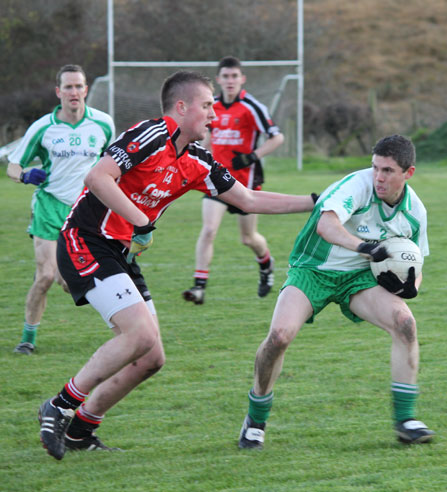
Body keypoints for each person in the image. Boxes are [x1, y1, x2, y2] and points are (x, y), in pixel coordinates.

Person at [37, 70, 316, 460]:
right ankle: (61, 406)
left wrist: (317, 201)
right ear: (181, 108)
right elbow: (98, 177)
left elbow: (249, 199)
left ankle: (82, 430)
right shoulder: (151, 134)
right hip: (85, 239)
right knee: (136, 336)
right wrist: (141, 221)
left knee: (152, 357)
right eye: (206, 106)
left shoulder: (199, 160)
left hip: (121, 252)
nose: (213, 116)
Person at [238, 134, 435, 449]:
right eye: (375, 168)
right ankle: (255, 420)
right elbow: (326, 226)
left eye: (387, 171)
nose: (379, 177)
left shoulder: (415, 212)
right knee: (279, 337)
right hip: (313, 269)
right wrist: (364, 247)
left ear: (407, 173)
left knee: (405, 322)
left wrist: (411, 287)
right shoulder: (357, 186)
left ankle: (406, 420)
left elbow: (415, 261)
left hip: (358, 278)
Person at [7, 64, 115, 355]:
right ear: (59, 92)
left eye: (79, 86)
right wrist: (25, 175)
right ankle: (27, 340)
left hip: (83, 212)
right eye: (68, 87)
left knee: (68, 283)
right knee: (44, 277)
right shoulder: (43, 127)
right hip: (48, 206)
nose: (74, 92)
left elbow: (115, 165)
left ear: (86, 90)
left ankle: (123, 327)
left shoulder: (104, 124)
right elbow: (12, 165)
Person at [182, 56, 284, 305]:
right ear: (218, 80)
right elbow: (206, 137)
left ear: (242, 79)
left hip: (245, 182)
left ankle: (266, 264)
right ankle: (199, 287)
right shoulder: (212, 106)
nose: (230, 81)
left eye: (234, 76)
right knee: (208, 230)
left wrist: (252, 157)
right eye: (225, 76)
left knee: (248, 238)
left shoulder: (252, 106)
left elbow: (277, 137)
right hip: (216, 179)